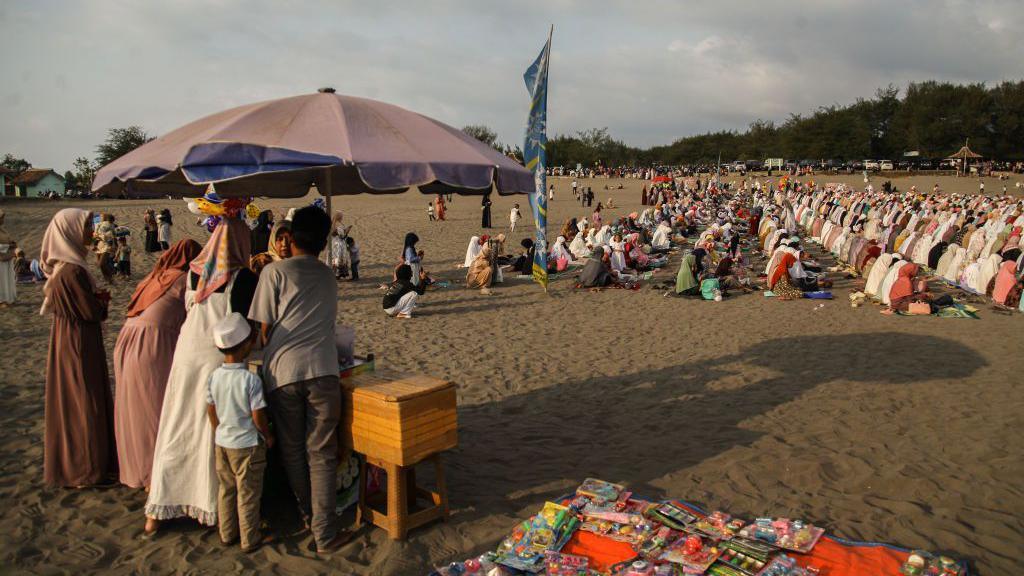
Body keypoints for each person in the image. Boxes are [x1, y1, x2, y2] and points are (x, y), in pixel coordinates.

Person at [248, 206, 352, 553]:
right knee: (321, 452)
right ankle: (325, 533)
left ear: (290, 237)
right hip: (323, 371)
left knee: (292, 450)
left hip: (282, 372)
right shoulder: (326, 275)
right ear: (323, 242)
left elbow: (261, 331)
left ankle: (309, 515)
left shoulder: (274, 274)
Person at [145, 218, 257, 534]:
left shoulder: (195, 271)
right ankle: (211, 505)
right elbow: (246, 324)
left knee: (176, 423)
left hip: (186, 352)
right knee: (212, 429)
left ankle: (156, 511)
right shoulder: (243, 277)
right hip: (217, 356)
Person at [114, 239, 202, 489]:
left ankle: (137, 470)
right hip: (152, 342)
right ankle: (156, 475)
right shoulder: (182, 280)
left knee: (134, 409)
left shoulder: (155, 277)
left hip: (128, 339)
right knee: (157, 408)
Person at [40, 208, 116, 487]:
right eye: (85, 227)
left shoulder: (66, 266)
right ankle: (87, 469)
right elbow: (90, 312)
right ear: (69, 232)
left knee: (77, 397)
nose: (89, 233)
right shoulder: (72, 271)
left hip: (70, 337)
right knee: (85, 399)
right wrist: (102, 302)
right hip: (78, 340)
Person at [207, 312, 274, 552]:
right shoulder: (250, 380)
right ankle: (250, 538)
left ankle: (227, 534)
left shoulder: (214, 376)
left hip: (223, 442)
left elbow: (211, 409)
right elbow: (258, 415)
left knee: (226, 490)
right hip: (247, 444)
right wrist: (267, 436)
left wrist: (219, 431)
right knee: (248, 493)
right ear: (247, 345)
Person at [94, 213, 117, 282]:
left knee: (102, 263)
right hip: (100, 245)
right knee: (101, 264)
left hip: (107, 245)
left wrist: (115, 245)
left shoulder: (110, 225)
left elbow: (114, 236)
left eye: (102, 216)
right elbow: (95, 235)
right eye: (100, 216)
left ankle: (110, 276)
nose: (100, 217)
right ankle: (108, 277)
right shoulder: (99, 224)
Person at [0, 209, 15, 306]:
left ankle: (7, 299)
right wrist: (8, 246)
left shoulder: (2, 230)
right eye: (1, 218)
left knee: (7, 279)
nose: (3, 220)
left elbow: (8, 239)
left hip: (6, 257)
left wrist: (12, 243)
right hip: (1, 259)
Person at [329, 211, 351, 280]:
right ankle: (339, 274)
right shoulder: (339, 224)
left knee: (335, 258)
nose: (342, 217)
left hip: (334, 243)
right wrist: (348, 230)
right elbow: (342, 236)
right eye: (341, 216)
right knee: (339, 258)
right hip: (339, 244)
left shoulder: (333, 223)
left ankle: (335, 273)